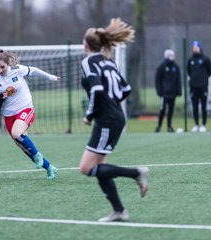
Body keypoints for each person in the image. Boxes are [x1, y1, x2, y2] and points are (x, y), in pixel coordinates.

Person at [79, 18, 149, 222]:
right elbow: (126, 89)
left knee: (86, 168)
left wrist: (89, 115)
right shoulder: (108, 61)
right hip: (115, 116)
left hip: (107, 119)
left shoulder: (88, 61)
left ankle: (136, 173)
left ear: (86, 44)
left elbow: (97, 90)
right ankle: (119, 211)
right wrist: (112, 105)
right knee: (100, 167)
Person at [0, 49, 58, 179]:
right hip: (9, 116)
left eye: (3, 67)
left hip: (25, 109)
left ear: (8, 64)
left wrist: (49, 76)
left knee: (17, 134)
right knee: (24, 148)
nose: (0, 70)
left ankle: (37, 155)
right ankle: (50, 168)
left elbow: (34, 70)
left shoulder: (18, 70)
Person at [155, 49, 182, 133]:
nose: (173, 57)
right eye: (171, 55)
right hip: (164, 93)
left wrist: (179, 91)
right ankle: (159, 126)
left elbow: (178, 80)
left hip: (172, 94)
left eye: (173, 55)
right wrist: (159, 91)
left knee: (171, 110)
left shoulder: (176, 67)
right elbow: (157, 80)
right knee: (162, 110)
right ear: (167, 56)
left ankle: (169, 127)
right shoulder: (162, 67)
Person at [187, 41, 211, 132]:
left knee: (204, 106)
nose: (195, 48)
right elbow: (188, 71)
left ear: (200, 48)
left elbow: (209, 71)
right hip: (193, 87)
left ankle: (203, 125)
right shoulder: (190, 60)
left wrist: (203, 80)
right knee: (195, 106)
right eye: (193, 47)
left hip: (203, 86)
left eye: (196, 47)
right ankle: (196, 124)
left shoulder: (205, 59)